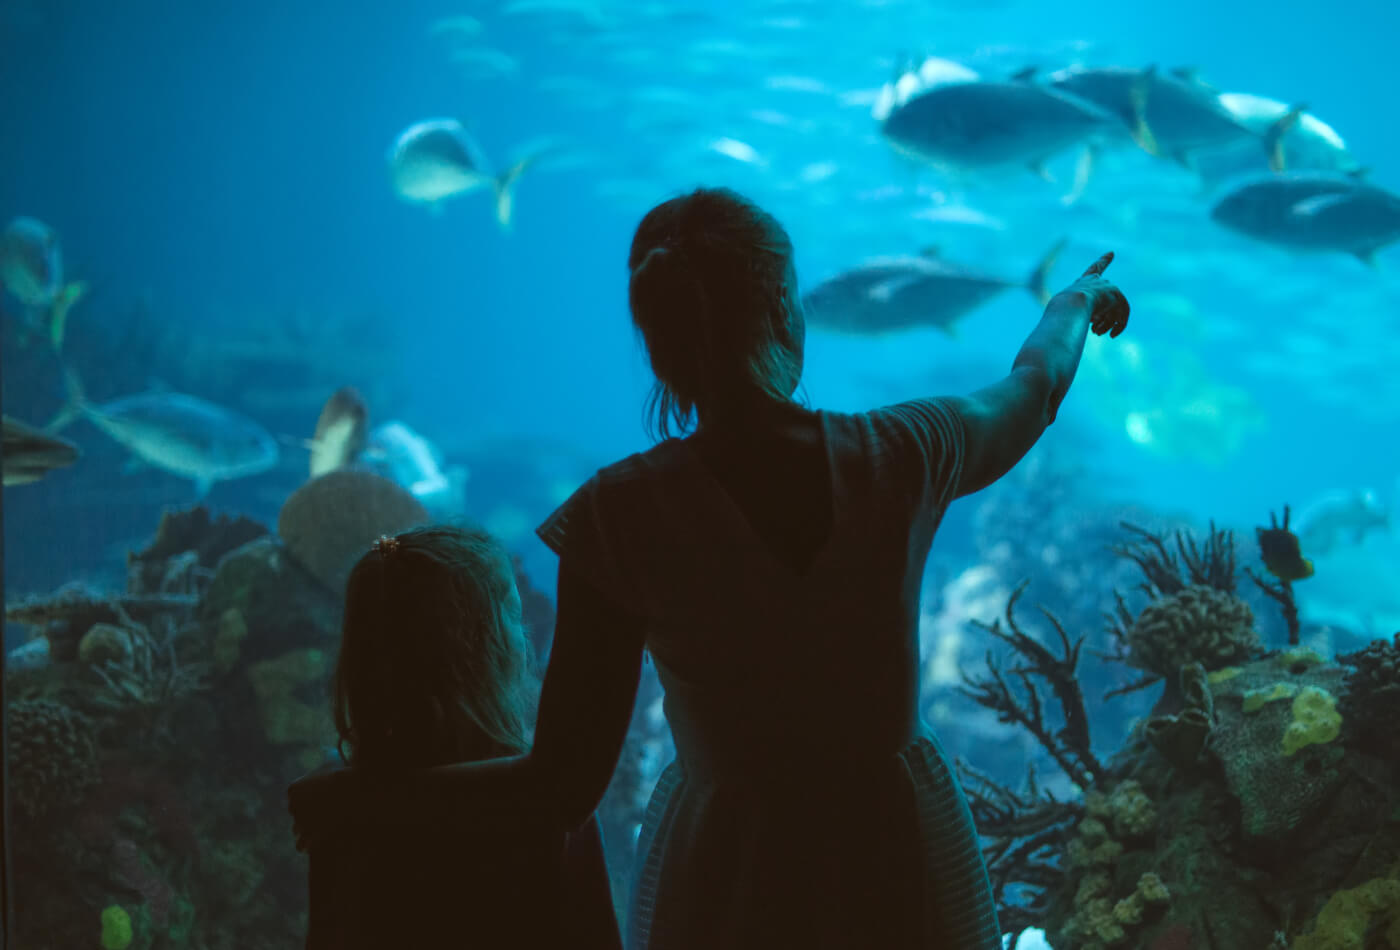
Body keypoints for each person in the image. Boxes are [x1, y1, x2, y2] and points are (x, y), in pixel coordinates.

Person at [287, 187, 1130, 949]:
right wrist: (1071, 302)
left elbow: (559, 787)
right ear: (785, 315)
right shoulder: (903, 453)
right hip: (891, 842)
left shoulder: (619, 517)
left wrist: (365, 800)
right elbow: (1033, 388)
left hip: (734, 865)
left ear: (660, 352)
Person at [287, 525, 621, 950]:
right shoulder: (550, 804)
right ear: (486, 648)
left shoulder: (337, 810)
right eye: (514, 617)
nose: (526, 634)